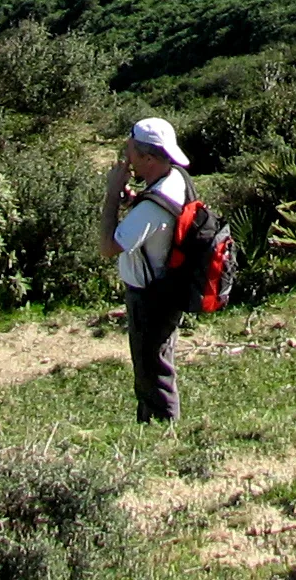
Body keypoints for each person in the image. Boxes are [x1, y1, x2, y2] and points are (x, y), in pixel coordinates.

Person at [99, 116, 194, 423]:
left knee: (152, 370)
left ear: (148, 158)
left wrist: (113, 194)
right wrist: (134, 202)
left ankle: (162, 432)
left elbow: (107, 248)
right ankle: (155, 425)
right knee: (156, 365)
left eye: (130, 152)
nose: (126, 159)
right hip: (167, 290)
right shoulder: (175, 179)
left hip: (151, 298)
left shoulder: (155, 205)